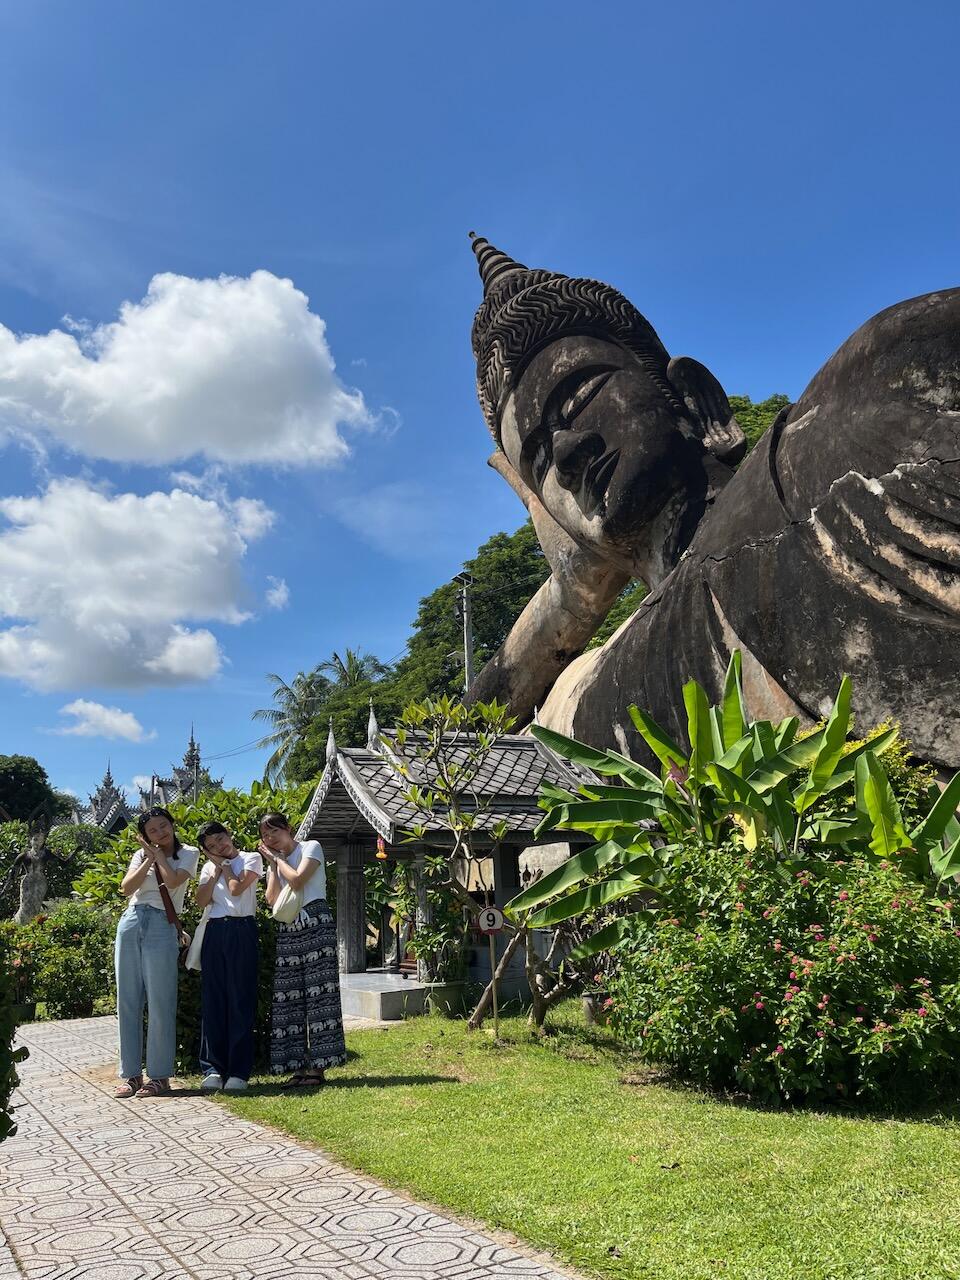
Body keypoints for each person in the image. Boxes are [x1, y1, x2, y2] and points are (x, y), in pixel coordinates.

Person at [115, 807, 199, 1099]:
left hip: (163, 923)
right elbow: (127, 888)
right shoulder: (140, 855)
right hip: (131, 921)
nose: (160, 832)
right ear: (145, 835)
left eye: (163, 826)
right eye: (152, 830)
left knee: (161, 1001)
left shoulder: (188, 853)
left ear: (172, 824)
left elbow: (174, 881)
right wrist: (148, 858)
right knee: (127, 1000)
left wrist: (159, 855)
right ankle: (131, 1075)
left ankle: (160, 1076)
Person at [259, 813, 346, 1088]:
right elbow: (271, 899)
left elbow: (298, 880)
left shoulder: (311, 847)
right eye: (265, 835)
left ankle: (318, 1069)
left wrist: (278, 861)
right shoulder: (276, 862)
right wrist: (273, 866)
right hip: (289, 926)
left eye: (274, 831)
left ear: (288, 828)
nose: (270, 838)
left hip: (315, 921)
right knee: (289, 997)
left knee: (320, 995)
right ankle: (295, 1067)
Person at [195, 821, 262, 1093]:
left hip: (242, 928)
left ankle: (238, 1071)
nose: (218, 846)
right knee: (213, 1000)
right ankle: (212, 1068)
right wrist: (214, 869)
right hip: (215, 930)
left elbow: (236, 889)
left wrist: (224, 866)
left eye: (220, 839)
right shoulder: (208, 868)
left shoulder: (251, 858)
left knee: (240, 999)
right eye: (211, 846)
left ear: (229, 835)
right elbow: (201, 901)